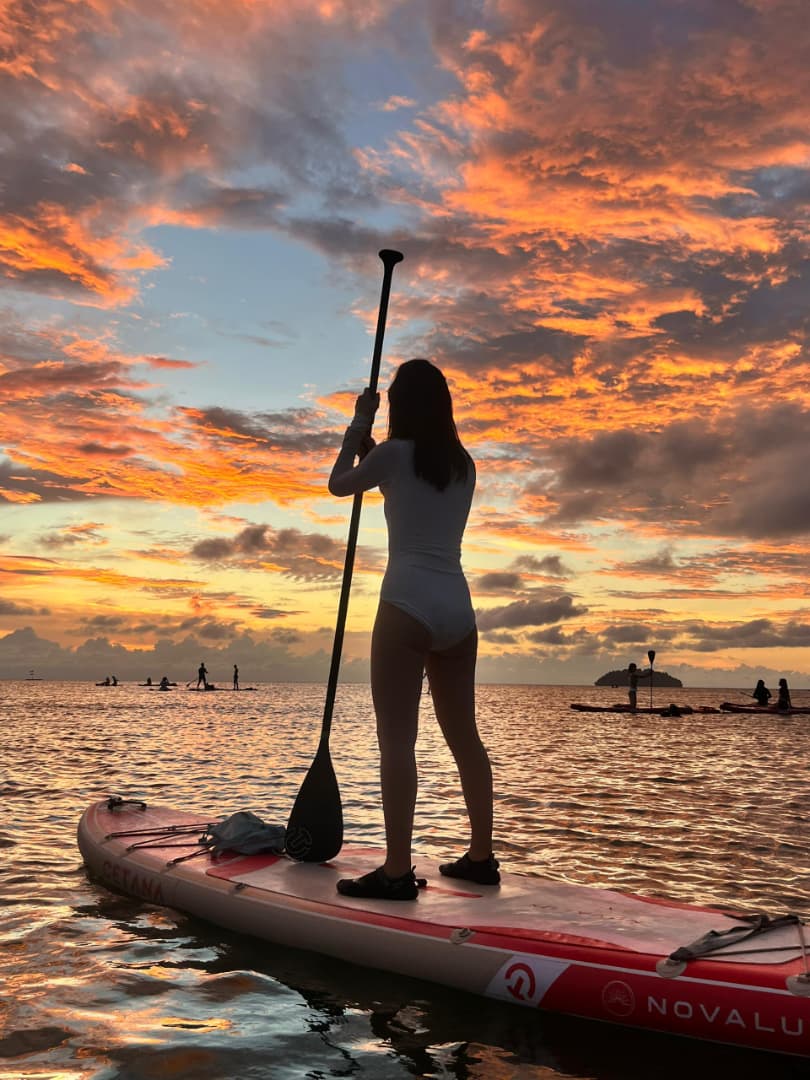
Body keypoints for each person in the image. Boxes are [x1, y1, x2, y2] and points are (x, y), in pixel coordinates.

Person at [328, 358, 497, 902]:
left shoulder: (394, 455)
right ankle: (481, 858)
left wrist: (358, 424)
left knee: (397, 741)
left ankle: (397, 871)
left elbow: (339, 485)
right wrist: (374, 453)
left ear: (399, 405)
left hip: (406, 603)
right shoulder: (463, 464)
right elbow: (410, 491)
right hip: (458, 610)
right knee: (464, 736)